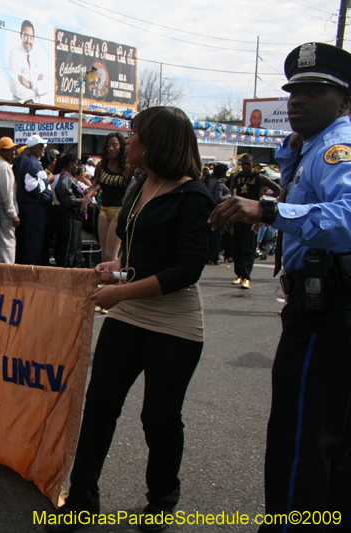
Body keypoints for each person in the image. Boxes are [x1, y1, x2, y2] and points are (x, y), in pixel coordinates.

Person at [47, 107, 215, 533]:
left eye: (135, 133)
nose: (128, 139)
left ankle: (161, 503)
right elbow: (140, 252)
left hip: (174, 322)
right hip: (129, 311)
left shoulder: (194, 195)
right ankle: (82, 501)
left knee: (159, 417)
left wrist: (120, 290)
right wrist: (116, 268)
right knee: (100, 405)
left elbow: (186, 270)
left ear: (157, 141)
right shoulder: (142, 183)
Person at [210, 42, 351, 533]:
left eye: (314, 91)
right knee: (327, 435)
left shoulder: (339, 146)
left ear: (344, 101)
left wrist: (269, 210)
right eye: (293, 91)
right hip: (322, 303)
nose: (297, 100)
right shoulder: (311, 148)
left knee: (302, 433)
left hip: (328, 308)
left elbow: (348, 218)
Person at [229, 154, 281, 289]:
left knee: (249, 246)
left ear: (253, 164)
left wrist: (266, 203)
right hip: (239, 214)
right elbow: (232, 188)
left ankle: (246, 276)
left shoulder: (259, 177)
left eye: (248, 164)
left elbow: (277, 189)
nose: (245, 167)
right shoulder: (237, 177)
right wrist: (234, 198)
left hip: (252, 216)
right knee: (237, 245)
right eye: (243, 164)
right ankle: (239, 274)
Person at [92, 132, 133, 262]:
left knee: (111, 255)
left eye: (115, 145)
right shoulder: (101, 165)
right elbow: (97, 183)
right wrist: (88, 195)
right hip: (103, 209)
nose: (111, 148)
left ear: (121, 147)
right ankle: (106, 282)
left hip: (119, 210)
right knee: (104, 255)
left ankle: (114, 282)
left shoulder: (127, 166)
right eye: (108, 145)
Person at [15, 134, 52, 265]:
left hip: (36, 209)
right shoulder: (30, 162)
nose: (44, 148)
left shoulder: (34, 161)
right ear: (34, 148)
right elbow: (32, 187)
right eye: (42, 146)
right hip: (34, 209)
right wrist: (47, 181)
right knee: (33, 243)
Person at [0, 137, 20, 263]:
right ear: (1, 151)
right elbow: (7, 193)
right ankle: (7, 276)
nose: (13, 152)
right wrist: (13, 214)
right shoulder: (4, 167)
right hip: (4, 211)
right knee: (7, 246)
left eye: (14, 149)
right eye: (9, 150)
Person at [52, 153, 87, 268]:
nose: (77, 167)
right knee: (69, 248)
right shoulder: (65, 178)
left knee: (74, 247)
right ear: (71, 164)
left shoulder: (68, 178)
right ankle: (66, 273)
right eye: (76, 165)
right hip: (70, 217)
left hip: (72, 217)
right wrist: (82, 200)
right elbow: (67, 198)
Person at [7, 19, 51, 103]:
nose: (28, 40)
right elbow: (16, 88)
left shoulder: (38, 58)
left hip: (36, 109)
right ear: (21, 35)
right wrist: (37, 91)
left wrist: (29, 85)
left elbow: (46, 87)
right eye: (26, 36)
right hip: (19, 108)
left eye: (31, 37)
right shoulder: (14, 54)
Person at [206, 163, 230, 265]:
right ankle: (214, 257)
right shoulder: (219, 183)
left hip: (209, 209)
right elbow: (219, 198)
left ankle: (208, 257)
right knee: (216, 235)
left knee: (210, 235)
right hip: (217, 210)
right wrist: (229, 196)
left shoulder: (212, 181)